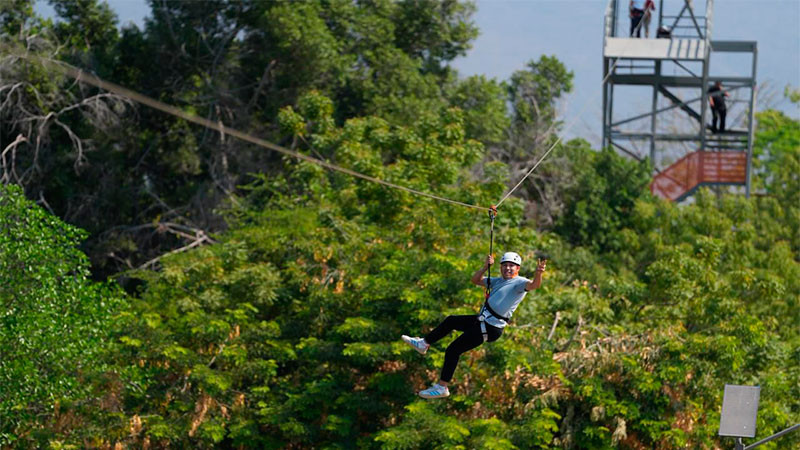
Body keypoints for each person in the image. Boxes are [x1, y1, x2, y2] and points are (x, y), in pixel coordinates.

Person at [401, 252, 547, 399]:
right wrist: (485, 267)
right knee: (451, 320)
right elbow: (475, 280)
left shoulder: (520, 283)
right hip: (481, 320)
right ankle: (423, 343)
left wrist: (538, 273)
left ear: (518, 268)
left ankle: (442, 387)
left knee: (453, 350)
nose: (507, 268)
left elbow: (535, 285)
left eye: (511, 266)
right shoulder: (497, 281)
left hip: (490, 328)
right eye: (505, 265)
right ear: (501, 267)